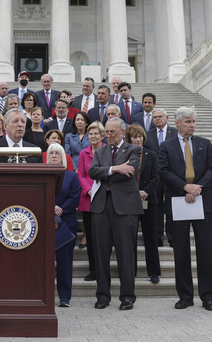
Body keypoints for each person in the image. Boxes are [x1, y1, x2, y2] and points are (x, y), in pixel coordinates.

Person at [158, 106, 212, 312]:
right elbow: (163, 171)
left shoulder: (205, 144)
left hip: (202, 200)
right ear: (177, 123)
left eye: (193, 122)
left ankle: (208, 296)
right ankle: (185, 296)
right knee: (181, 251)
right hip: (178, 201)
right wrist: (184, 187)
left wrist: (197, 188)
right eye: (188, 122)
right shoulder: (166, 146)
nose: (192, 125)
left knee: (206, 250)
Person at [89, 117, 142, 311]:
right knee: (101, 253)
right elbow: (93, 171)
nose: (108, 136)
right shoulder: (100, 150)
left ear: (121, 132)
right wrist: (115, 168)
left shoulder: (134, 149)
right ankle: (103, 295)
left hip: (125, 207)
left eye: (112, 132)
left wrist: (110, 172)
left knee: (126, 253)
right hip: (102, 206)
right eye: (106, 133)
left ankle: (127, 296)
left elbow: (128, 172)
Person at [125, 124, 161, 284]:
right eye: (134, 137)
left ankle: (153, 271)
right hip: (129, 200)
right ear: (129, 139)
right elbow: (124, 176)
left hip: (148, 200)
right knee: (129, 238)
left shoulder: (151, 154)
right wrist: (135, 192)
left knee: (151, 237)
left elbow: (156, 176)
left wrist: (145, 191)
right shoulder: (124, 154)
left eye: (140, 136)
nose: (138, 139)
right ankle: (130, 271)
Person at [47, 143, 80, 307]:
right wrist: (50, 208)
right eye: (51, 153)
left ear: (63, 157)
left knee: (64, 262)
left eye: (57, 153)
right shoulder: (42, 176)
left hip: (66, 223)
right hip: (44, 223)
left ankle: (65, 297)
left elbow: (75, 197)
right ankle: (43, 294)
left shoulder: (71, 176)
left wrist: (60, 209)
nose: (54, 155)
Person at [77, 121, 106, 281]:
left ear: (102, 135)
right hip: (88, 199)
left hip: (104, 198)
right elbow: (81, 174)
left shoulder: (107, 151)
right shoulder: (84, 153)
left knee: (103, 237)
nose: (93, 136)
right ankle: (93, 269)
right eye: (90, 134)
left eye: (96, 133)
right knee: (91, 237)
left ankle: (103, 269)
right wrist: (89, 190)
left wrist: (99, 191)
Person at [145, 108, 178, 247]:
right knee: (156, 207)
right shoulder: (148, 134)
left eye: (160, 116)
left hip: (171, 176)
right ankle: (158, 236)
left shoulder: (175, 133)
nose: (157, 119)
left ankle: (172, 237)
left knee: (171, 207)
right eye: (155, 117)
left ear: (167, 117)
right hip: (155, 176)